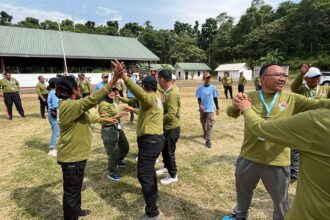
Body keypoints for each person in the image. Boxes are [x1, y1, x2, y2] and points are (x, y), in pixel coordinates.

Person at [224, 64, 330, 220]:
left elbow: (318, 104)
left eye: (284, 75)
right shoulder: (250, 96)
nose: (283, 78)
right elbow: (231, 114)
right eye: (278, 75)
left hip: (277, 161)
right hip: (249, 156)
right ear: (263, 78)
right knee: (243, 192)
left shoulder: (291, 98)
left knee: (281, 202)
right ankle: (240, 215)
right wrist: (234, 105)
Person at [56, 64, 121, 220]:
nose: (80, 89)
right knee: (71, 192)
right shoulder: (69, 105)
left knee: (76, 188)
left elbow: (87, 117)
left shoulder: (71, 106)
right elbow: (91, 100)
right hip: (72, 157)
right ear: (73, 90)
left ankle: (76, 211)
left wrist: (103, 118)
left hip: (77, 155)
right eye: (78, 87)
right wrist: (114, 80)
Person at [115, 60, 164, 220]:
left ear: (144, 86)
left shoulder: (148, 97)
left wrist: (124, 77)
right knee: (149, 171)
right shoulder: (156, 97)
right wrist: (132, 109)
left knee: (143, 174)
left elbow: (140, 94)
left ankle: (152, 213)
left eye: (142, 85)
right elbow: (146, 112)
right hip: (155, 140)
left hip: (150, 141)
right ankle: (154, 195)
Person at [290, 64, 330, 182]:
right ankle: (294, 171)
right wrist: (301, 74)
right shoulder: (301, 89)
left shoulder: (325, 89)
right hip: (302, 122)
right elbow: (293, 87)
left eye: (318, 77)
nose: (316, 79)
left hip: (319, 123)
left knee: (317, 147)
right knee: (296, 148)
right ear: (306, 78)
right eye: (313, 77)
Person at [98, 87, 130, 181]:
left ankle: (118, 160)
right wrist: (119, 115)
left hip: (117, 127)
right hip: (109, 130)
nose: (112, 93)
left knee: (125, 147)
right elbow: (104, 120)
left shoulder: (113, 101)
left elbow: (120, 99)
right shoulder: (103, 104)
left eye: (113, 91)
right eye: (110, 91)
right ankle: (112, 172)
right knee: (112, 152)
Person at [156, 70, 181, 185]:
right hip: (167, 127)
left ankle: (173, 175)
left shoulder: (172, 94)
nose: (157, 81)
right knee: (165, 150)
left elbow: (171, 114)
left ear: (162, 79)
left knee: (169, 152)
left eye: (158, 78)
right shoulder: (168, 91)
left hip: (172, 128)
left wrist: (158, 119)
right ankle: (166, 167)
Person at [195, 72, 219, 148]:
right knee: (203, 122)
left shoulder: (213, 87)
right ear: (203, 79)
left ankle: (208, 140)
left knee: (209, 124)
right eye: (207, 77)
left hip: (210, 109)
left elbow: (215, 98)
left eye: (209, 77)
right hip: (202, 109)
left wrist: (217, 108)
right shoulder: (200, 88)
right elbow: (199, 98)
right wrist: (200, 105)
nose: (208, 79)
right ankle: (205, 133)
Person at [47, 78, 60, 157]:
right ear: (55, 84)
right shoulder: (54, 92)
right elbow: (56, 105)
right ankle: (52, 149)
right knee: (56, 131)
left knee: (57, 131)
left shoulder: (53, 92)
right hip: (55, 113)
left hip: (55, 112)